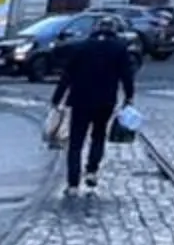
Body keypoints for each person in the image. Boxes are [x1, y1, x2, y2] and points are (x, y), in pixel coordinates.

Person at [53, 13, 136, 197]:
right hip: (105, 101)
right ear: (114, 31)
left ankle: (73, 184)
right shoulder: (119, 49)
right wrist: (129, 97)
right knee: (98, 136)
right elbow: (127, 76)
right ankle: (91, 171)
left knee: (75, 143)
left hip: (80, 101)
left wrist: (57, 99)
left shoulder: (82, 47)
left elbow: (67, 75)